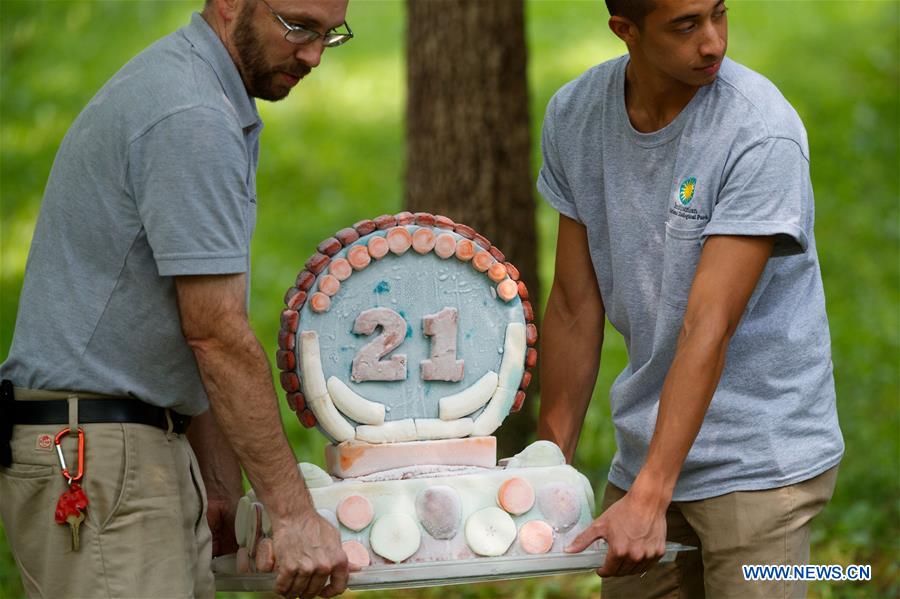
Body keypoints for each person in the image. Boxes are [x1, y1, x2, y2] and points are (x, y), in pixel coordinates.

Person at [0, 1, 354, 597]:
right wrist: (291, 512)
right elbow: (214, 334)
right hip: (99, 457)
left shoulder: (201, 91)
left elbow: (185, 319)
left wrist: (218, 489)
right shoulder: (190, 113)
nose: (313, 55)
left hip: (131, 443)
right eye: (297, 27)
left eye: (329, 34)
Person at [536, 0, 844, 597]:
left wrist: (653, 493)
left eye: (719, 14)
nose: (714, 43)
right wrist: (549, 467)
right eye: (686, 25)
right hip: (646, 450)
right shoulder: (575, 115)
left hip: (761, 459)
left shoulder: (760, 130)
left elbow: (709, 323)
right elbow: (575, 304)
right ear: (625, 30)